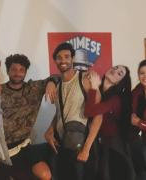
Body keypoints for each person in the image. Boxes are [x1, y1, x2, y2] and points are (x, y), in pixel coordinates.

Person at [45, 42, 102, 180]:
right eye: (59, 57)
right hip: (62, 145)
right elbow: (61, 112)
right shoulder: (57, 84)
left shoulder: (85, 79)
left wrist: (86, 149)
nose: (63, 60)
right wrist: (50, 130)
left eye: (66, 56)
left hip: (80, 146)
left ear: (73, 59)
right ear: (55, 60)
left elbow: (98, 116)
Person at [1, 54, 57, 180]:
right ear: (8, 71)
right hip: (2, 149)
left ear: (26, 72)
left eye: (21, 70)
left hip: (24, 146)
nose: (17, 73)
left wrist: (51, 82)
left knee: (45, 174)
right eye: (14, 69)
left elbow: (56, 76)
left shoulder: (33, 88)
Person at [84, 65, 136, 180]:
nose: (115, 70)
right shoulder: (101, 91)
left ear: (120, 82)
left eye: (120, 73)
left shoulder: (115, 99)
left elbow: (89, 112)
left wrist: (94, 88)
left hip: (113, 145)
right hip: (100, 142)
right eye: (116, 67)